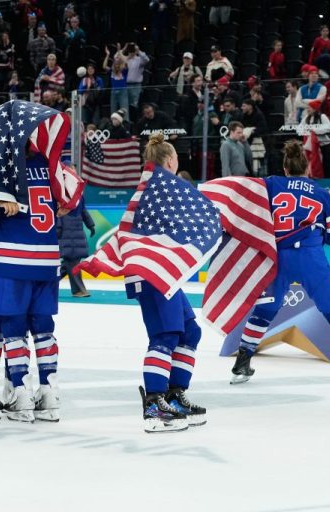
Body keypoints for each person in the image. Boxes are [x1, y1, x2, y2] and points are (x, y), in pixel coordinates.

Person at [230, 140, 330, 386]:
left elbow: (245, 200)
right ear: (308, 169)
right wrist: (319, 238)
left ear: (285, 168)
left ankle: (241, 364)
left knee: (264, 311)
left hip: (277, 258)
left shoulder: (271, 184)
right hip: (311, 258)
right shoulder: (323, 194)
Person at [0, 144, 67, 423]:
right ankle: (44, 391)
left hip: (6, 252)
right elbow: (71, 200)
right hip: (44, 254)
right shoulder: (48, 160)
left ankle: (12, 389)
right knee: (39, 327)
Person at [134, 133, 205, 433]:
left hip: (163, 274)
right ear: (171, 160)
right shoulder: (156, 187)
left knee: (190, 330)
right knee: (166, 334)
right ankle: (154, 403)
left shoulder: (158, 187)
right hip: (152, 272)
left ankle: (174, 394)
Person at [57, 199, 95, 297]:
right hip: (65, 234)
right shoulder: (61, 193)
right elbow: (57, 213)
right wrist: (57, 230)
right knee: (72, 262)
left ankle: (47, 282)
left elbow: (83, 211)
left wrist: (90, 225)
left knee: (68, 264)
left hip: (77, 232)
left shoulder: (79, 194)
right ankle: (78, 290)